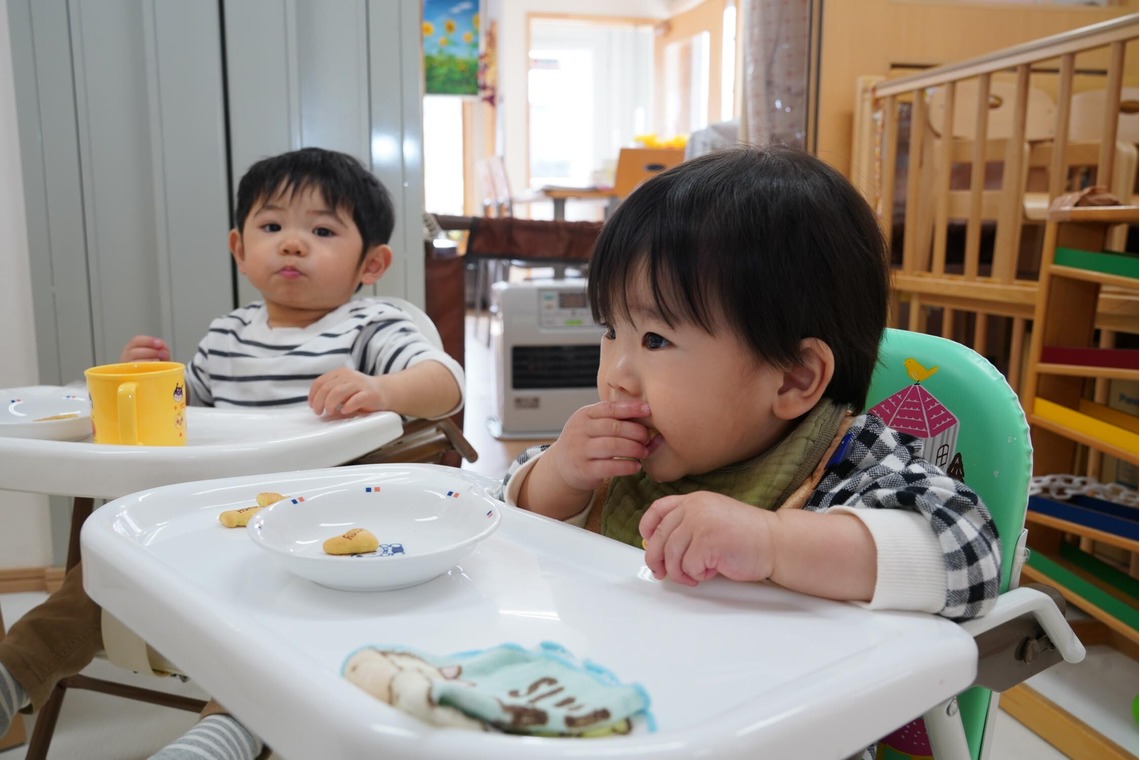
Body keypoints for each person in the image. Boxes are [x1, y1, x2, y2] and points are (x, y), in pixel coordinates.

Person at [0, 147, 465, 760]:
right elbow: (182, 408)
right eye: (271, 227)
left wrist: (382, 388)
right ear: (240, 249)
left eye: (322, 230)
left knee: (277, 614)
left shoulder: (369, 326)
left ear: (372, 262)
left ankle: (228, 732)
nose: (292, 244)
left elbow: (445, 382)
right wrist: (147, 379)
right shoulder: (227, 335)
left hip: (310, 526)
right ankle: (12, 677)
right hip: (205, 511)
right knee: (104, 570)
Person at [499, 145, 1001, 623]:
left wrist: (772, 541)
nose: (615, 377)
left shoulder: (849, 462)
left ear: (792, 379)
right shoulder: (624, 459)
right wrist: (562, 474)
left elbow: (969, 556)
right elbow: (513, 510)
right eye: (611, 330)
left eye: (655, 340)